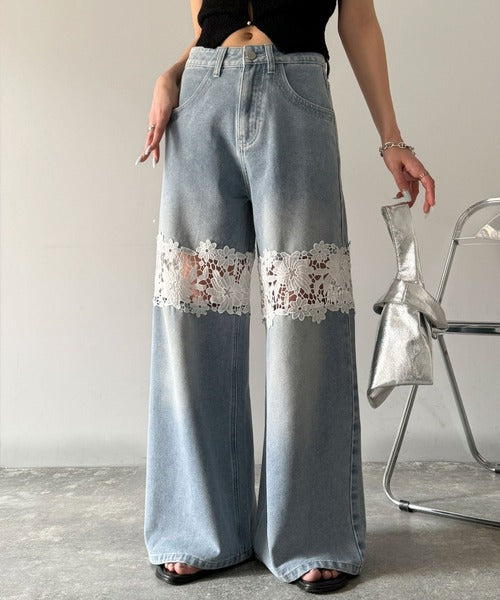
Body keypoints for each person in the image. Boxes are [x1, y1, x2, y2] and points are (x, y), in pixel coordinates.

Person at [139, 0, 436, 594]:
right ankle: (197, 529)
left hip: (297, 96)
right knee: (191, 320)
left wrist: (391, 139)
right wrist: (169, 74)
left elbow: (358, 19)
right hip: (201, 97)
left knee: (307, 323)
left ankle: (311, 533)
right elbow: (207, 25)